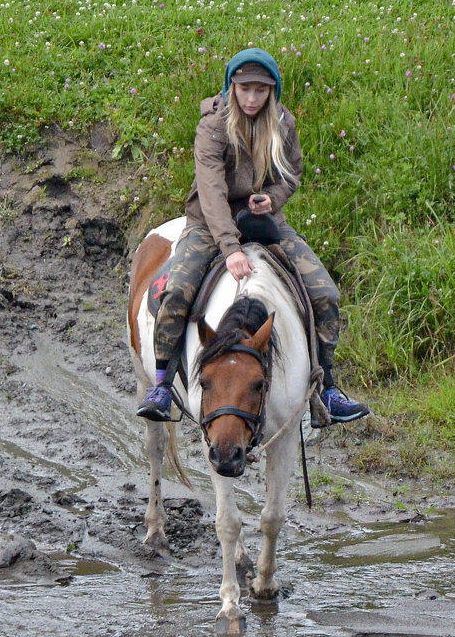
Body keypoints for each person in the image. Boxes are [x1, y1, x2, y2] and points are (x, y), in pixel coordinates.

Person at [137, 47, 370, 426]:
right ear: (232, 86)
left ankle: (326, 386)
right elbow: (211, 191)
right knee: (176, 290)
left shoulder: (282, 123)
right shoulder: (212, 126)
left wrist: (272, 198)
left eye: (260, 90)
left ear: (271, 91)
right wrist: (229, 248)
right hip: (210, 224)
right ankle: (162, 384)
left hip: (264, 221)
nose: (251, 98)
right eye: (244, 88)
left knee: (326, 293)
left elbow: (292, 171)